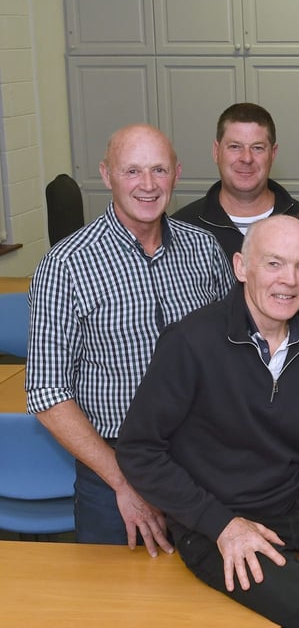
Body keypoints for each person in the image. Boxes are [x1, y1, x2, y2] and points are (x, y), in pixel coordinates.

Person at [116, 216, 299, 628]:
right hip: (213, 521)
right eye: (274, 263)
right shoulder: (190, 342)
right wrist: (220, 525)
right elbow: (139, 449)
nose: (289, 281)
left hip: (294, 507)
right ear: (242, 267)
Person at [25, 123, 233, 554]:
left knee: (206, 608)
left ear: (177, 173)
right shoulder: (66, 266)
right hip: (115, 468)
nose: (148, 184)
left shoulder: (203, 250)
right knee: (119, 606)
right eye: (132, 171)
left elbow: (231, 350)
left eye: (159, 170)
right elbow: (46, 391)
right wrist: (124, 480)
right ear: (106, 175)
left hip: (203, 463)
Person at [173, 102, 299, 261]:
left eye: (257, 148)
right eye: (235, 147)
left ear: (273, 154)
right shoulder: (182, 228)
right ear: (216, 152)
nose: (247, 158)